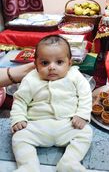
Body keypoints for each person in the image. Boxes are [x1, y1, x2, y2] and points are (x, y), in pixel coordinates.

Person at [10, 35, 93, 172]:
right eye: (44, 63)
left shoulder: (75, 76)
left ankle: (69, 162)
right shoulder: (30, 79)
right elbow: (20, 100)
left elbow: (85, 95)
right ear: (36, 64)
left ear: (70, 63)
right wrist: (18, 118)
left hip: (68, 124)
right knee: (19, 137)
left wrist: (82, 115)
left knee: (86, 132)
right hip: (37, 125)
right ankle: (28, 166)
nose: (52, 67)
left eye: (59, 62)